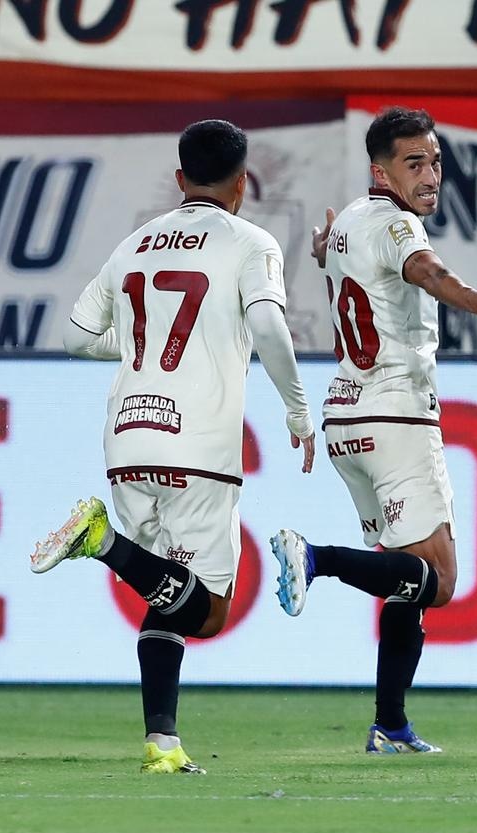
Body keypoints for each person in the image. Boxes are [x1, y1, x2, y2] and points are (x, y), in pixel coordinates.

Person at [30, 119, 315, 774]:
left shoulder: (132, 245)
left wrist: (137, 347)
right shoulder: (251, 241)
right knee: (209, 611)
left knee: (167, 591)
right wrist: (298, 410)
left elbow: (76, 337)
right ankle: (99, 542)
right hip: (198, 443)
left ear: (180, 179)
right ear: (243, 183)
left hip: (129, 435)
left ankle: (162, 744)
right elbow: (269, 323)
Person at [268, 106, 477, 754]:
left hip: (346, 417)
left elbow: (341, 267)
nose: (430, 175)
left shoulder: (347, 220)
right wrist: (476, 299)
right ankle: (314, 558)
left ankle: (391, 724)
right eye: (414, 163)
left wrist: (324, 252)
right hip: (396, 415)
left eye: (434, 160)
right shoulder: (400, 227)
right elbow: (425, 271)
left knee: (405, 579)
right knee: (443, 581)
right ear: (382, 170)